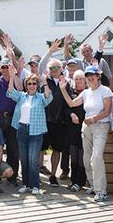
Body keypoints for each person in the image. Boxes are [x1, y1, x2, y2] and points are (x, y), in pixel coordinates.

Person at [60, 66, 113, 202]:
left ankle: (101, 191)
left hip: (100, 126)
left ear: (98, 77)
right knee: (86, 158)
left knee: (96, 158)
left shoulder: (105, 90)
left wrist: (94, 118)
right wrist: (62, 89)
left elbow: (107, 111)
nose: (90, 78)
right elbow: (71, 104)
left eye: (92, 76)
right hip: (87, 127)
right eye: (88, 76)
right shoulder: (86, 93)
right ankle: (93, 186)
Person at [6, 69, 51, 195]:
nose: (31, 86)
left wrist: (45, 82)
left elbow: (48, 97)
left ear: (37, 85)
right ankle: (26, 184)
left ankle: (35, 185)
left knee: (32, 160)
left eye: (34, 84)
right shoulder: (21, 96)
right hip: (22, 130)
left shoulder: (41, 98)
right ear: (26, 85)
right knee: (24, 159)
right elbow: (10, 92)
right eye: (29, 84)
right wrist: (11, 77)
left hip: (36, 132)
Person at [0, 35, 23, 186]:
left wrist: (9, 50)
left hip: (14, 118)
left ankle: (12, 177)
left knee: (14, 149)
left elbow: (20, 88)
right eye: (3, 67)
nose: (5, 69)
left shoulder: (16, 80)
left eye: (8, 67)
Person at [38, 40, 68, 186]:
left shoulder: (67, 82)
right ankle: (37, 175)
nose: (54, 69)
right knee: (41, 149)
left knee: (57, 150)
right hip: (44, 121)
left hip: (60, 122)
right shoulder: (42, 81)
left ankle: (53, 176)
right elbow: (40, 66)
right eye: (52, 68)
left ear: (61, 68)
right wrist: (50, 51)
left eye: (57, 67)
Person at [61, 69, 87, 194]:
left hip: (85, 128)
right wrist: (71, 114)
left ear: (85, 80)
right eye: (76, 79)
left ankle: (80, 181)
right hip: (72, 129)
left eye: (80, 79)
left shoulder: (88, 93)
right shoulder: (70, 93)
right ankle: (73, 180)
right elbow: (65, 108)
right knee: (74, 155)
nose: (78, 82)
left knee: (82, 156)